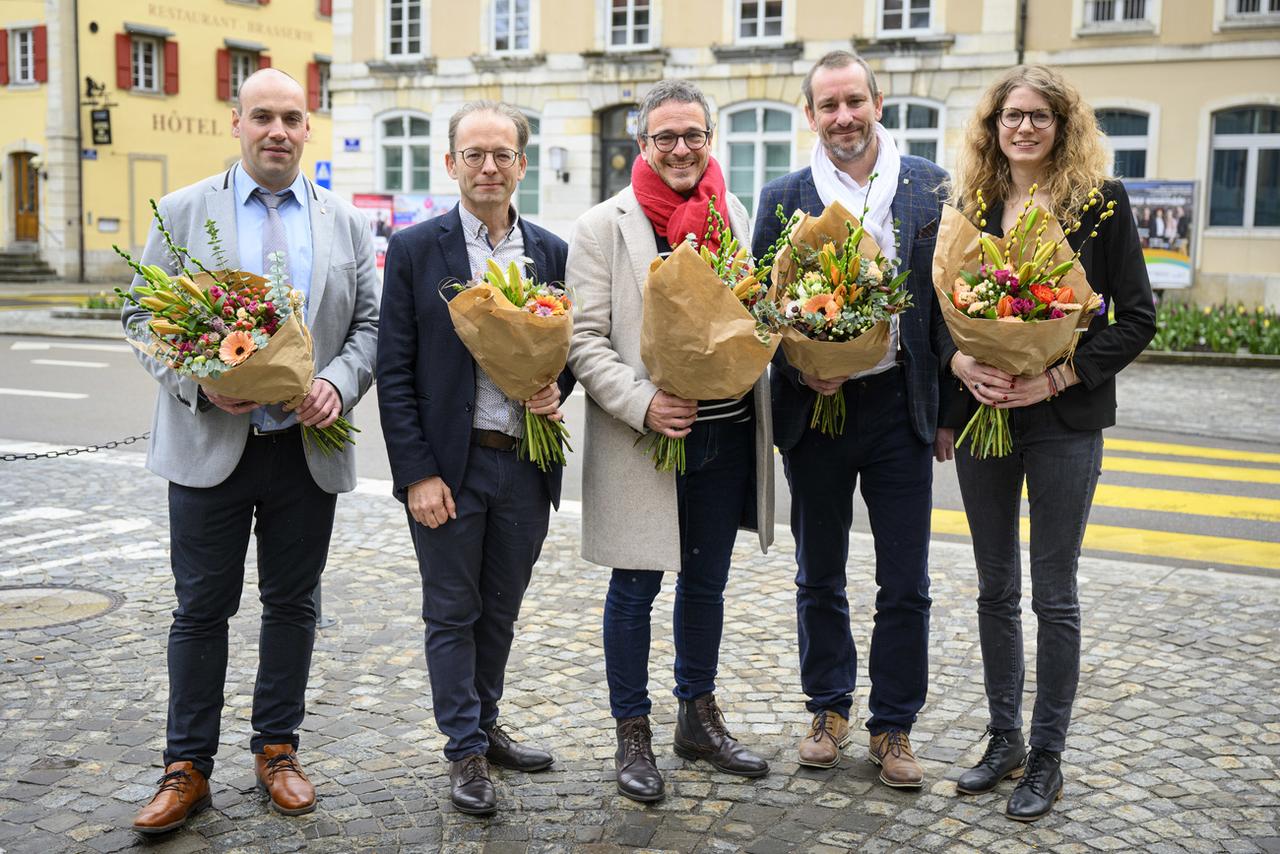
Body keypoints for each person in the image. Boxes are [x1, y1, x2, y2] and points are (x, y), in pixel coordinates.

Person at [123, 68, 379, 835]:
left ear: (308, 129)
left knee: (294, 605)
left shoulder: (343, 222)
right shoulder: (182, 212)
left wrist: (338, 381)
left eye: (291, 118)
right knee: (201, 609)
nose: (277, 130)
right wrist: (200, 386)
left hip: (307, 446)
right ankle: (186, 766)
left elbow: (368, 325)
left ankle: (278, 749)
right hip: (211, 443)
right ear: (236, 123)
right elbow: (142, 317)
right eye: (261, 116)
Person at [939, 64, 1156, 822]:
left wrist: (1060, 378)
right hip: (984, 417)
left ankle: (1049, 757)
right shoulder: (969, 206)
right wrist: (960, 358)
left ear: (1063, 127)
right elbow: (938, 308)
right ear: (992, 127)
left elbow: (1136, 317)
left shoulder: (1099, 205)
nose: (1024, 127)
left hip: (1064, 421)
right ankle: (1004, 742)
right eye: (1011, 116)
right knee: (995, 587)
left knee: (1053, 594)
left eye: (1039, 116)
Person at [567, 79, 775, 804]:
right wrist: (644, 402)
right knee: (635, 587)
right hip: (644, 440)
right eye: (666, 137)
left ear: (708, 140)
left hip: (724, 435)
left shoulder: (733, 211)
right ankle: (633, 733)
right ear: (643, 144)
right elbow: (583, 341)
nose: (681, 149)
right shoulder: (604, 226)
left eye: (693, 136)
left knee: (707, 584)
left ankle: (698, 715)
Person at [750, 50, 950, 789]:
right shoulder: (784, 195)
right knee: (819, 573)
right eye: (828, 105)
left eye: (854, 102)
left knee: (906, 580)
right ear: (811, 114)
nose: (843, 117)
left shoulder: (929, 186)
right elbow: (762, 313)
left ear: (877, 101)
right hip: (818, 410)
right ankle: (828, 708)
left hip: (900, 406)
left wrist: (947, 414)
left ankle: (893, 726)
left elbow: (945, 313)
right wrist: (801, 365)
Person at [377, 100, 571, 816]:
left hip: (524, 462)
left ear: (522, 163)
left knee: (501, 612)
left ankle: (485, 726)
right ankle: (463, 749)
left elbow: (566, 353)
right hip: (449, 470)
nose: (489, 167)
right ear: (451, 162)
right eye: (474, 154)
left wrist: (557, 388)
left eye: (503, 154)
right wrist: (417, 475)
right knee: (452, 611)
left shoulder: (549, 251)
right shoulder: (415, 249)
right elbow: (394, 371)